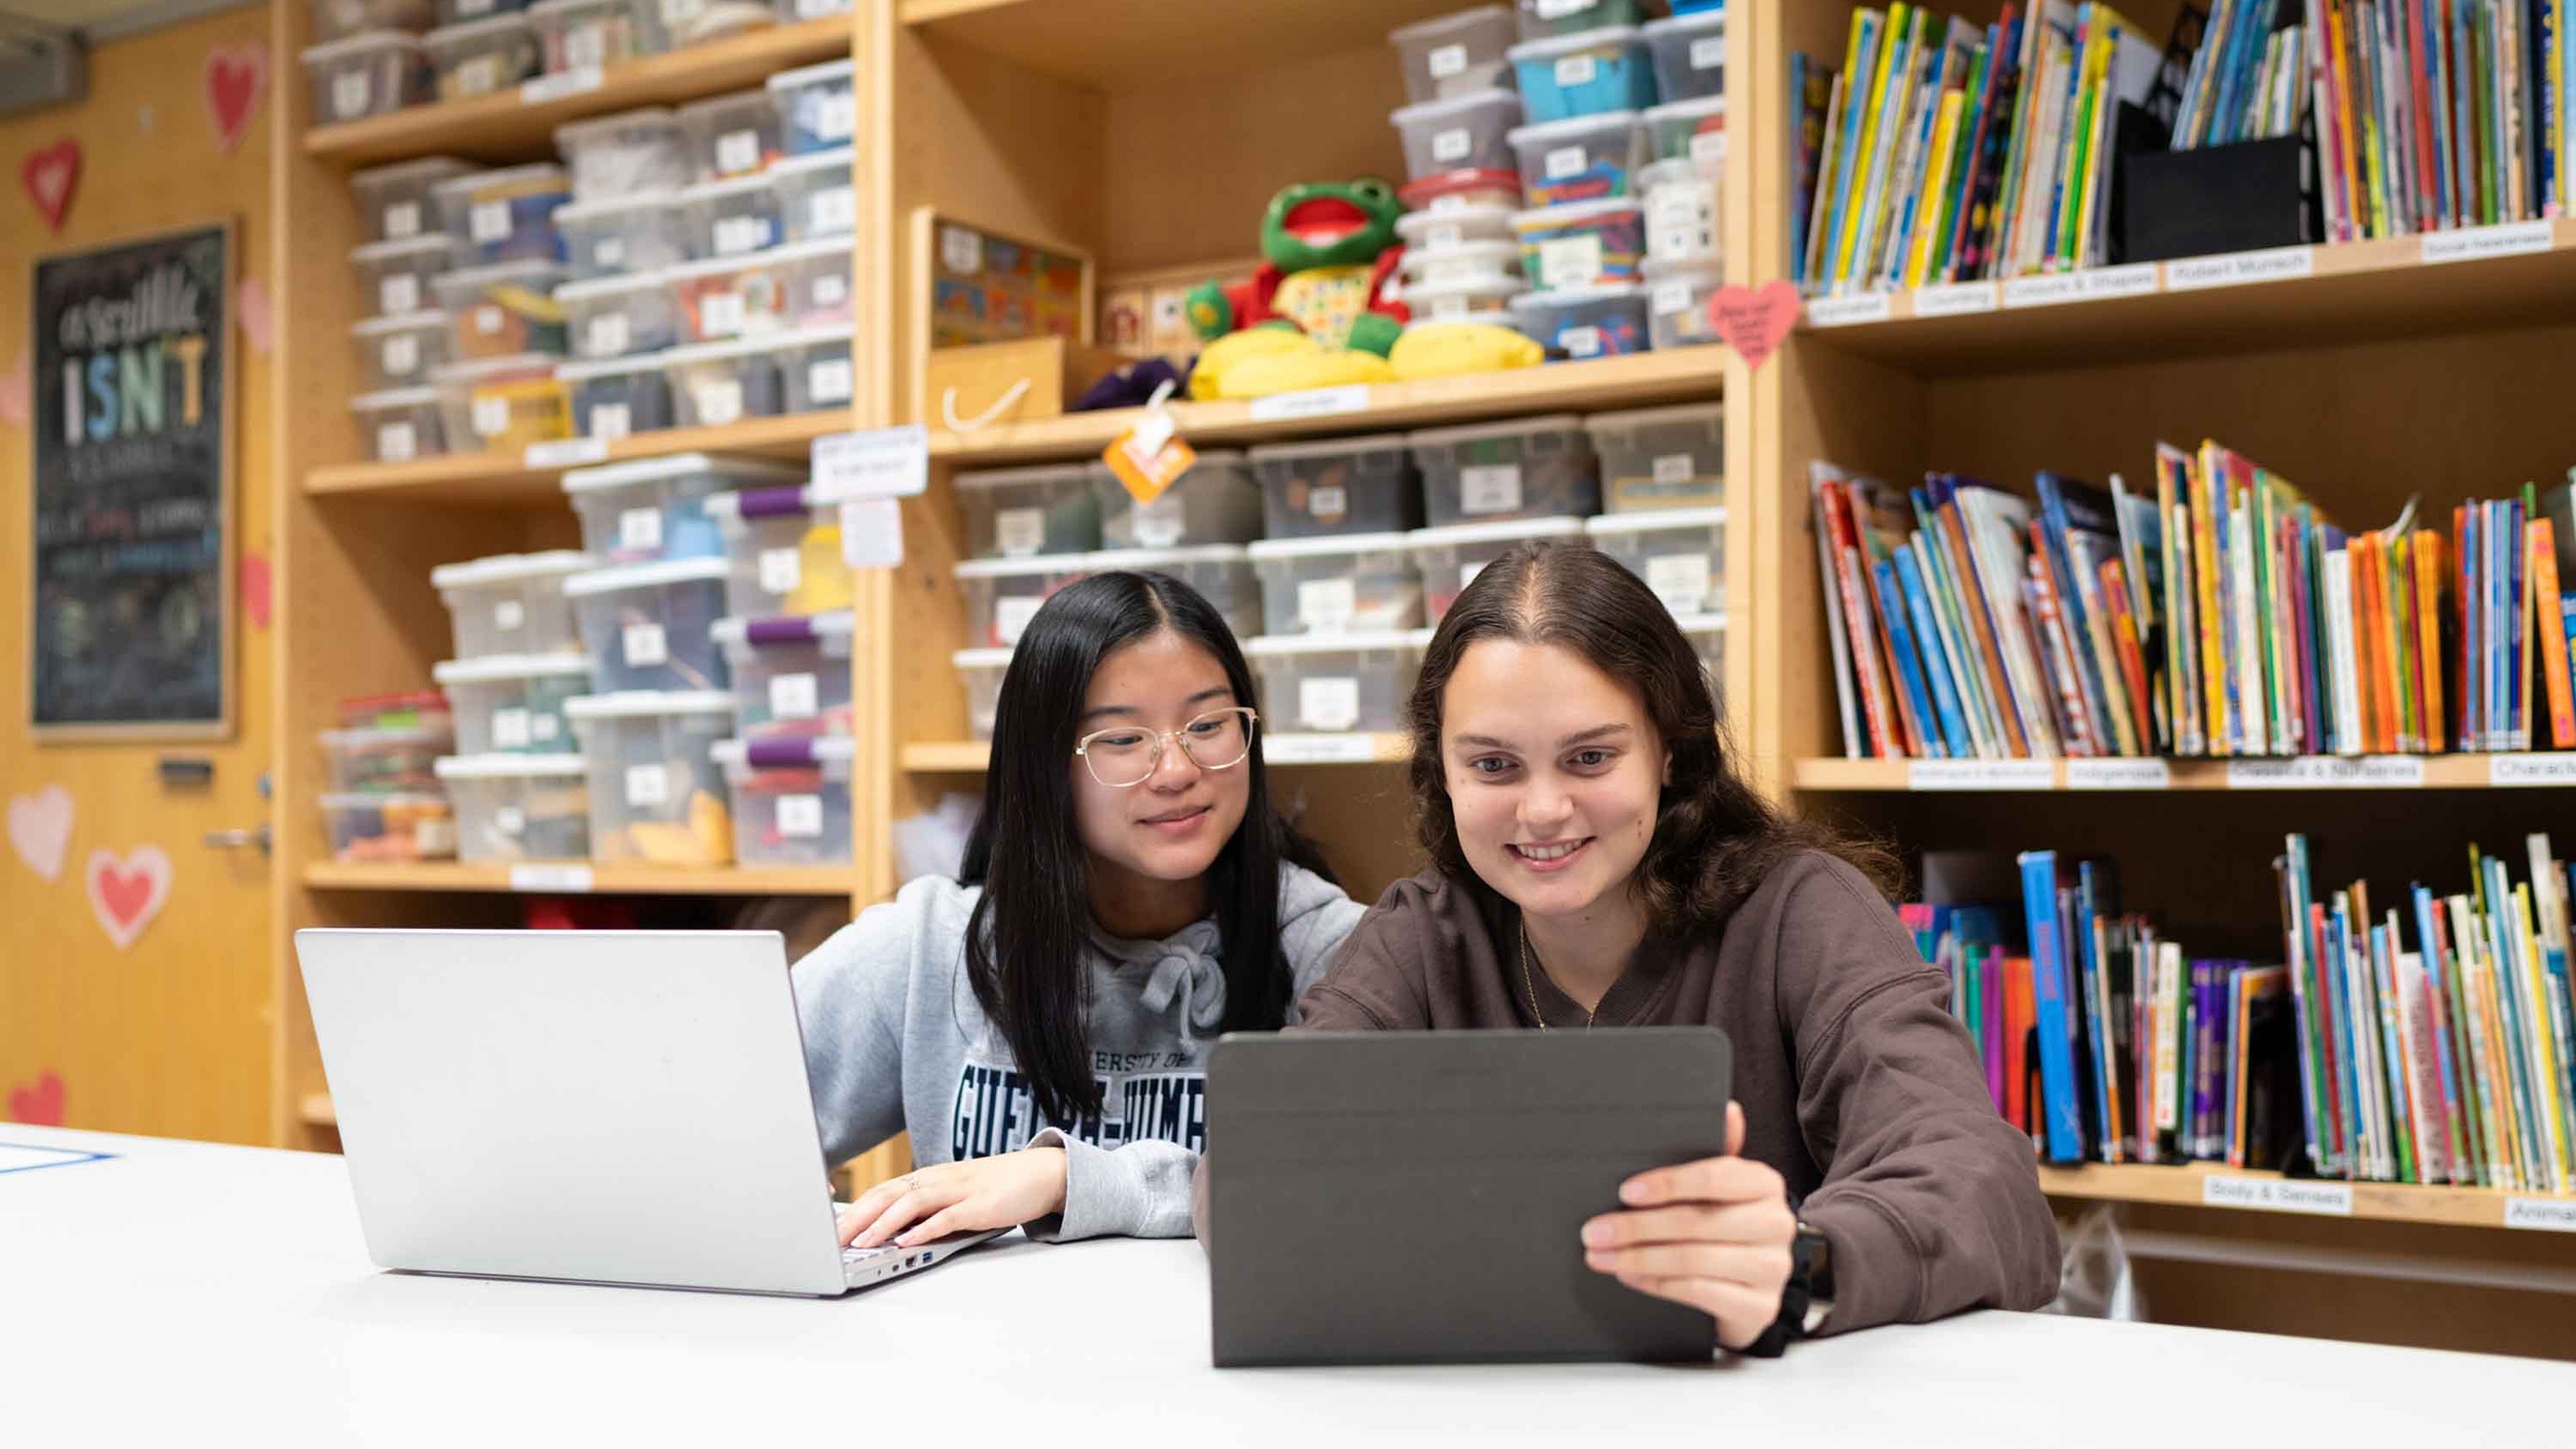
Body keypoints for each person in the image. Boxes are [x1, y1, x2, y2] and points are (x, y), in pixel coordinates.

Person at [1277, 542, 2060, 1352]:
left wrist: (1803, 1266)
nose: (1543, 809)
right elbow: (1255, 1164)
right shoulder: (1419, 934)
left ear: (1672, 751)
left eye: (1590, 757)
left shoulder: (1802, 911)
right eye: (1494, 765)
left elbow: (1985, 1190)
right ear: (1441, 771)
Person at [796, 570, 1362, 1249]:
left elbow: (1368, 1187)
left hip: (1217, 1346)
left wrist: (1069, 1178)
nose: (1176, 768)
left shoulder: (1337, 952)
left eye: (1208, 724)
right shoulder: (935, 945)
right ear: (1043, 768)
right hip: (974, 1348)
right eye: (1122, 739)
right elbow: (716, 1104)